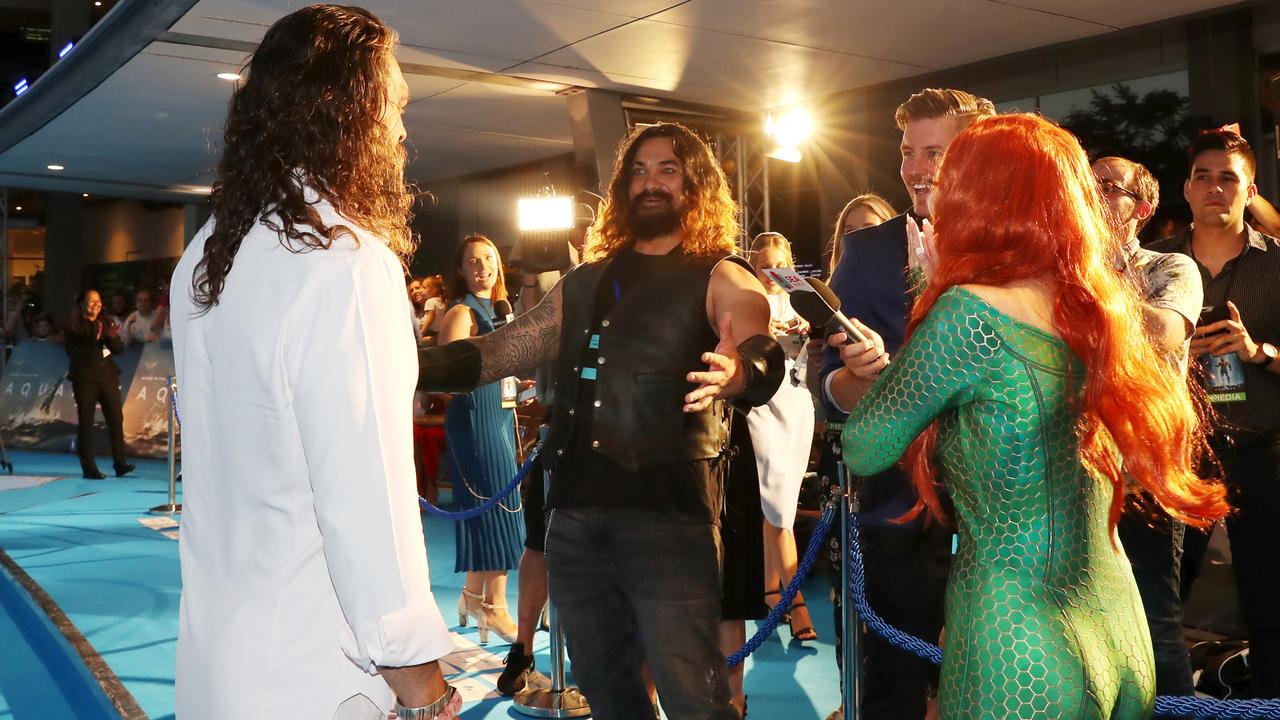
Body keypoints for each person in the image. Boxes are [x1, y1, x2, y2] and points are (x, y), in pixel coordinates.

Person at [841, 112, 1229, 718]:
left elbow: (866, 445)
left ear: (977, 195)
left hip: (1018, 639)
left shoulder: (970, 313)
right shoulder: (1100, 305)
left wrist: (929, 284)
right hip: (1120, 625)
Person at [419, 121, 783, 719]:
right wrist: (403, 365)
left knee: (695, 698)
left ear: (695, 186)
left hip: (669, 520)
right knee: (608, 696)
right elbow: (498, 351)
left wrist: (740, 373)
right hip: (575, 524)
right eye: (638, 171)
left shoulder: (721, 273)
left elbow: (754, 337)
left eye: (668, 169)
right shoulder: (584, 281)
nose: (651, 183)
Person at [169, 6, 459, 719]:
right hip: (312, 675)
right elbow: (366, 503)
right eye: (392, 107)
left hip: (217, 663)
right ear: (346, 114)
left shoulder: (207, 256)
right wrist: (422, 685)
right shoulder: (346, 267)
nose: (399, 132)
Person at [821, 88, 994, 720]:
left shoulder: (1018, 251)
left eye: (933, 153)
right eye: (906, 153)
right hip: (898, 504)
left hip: (1005, 513)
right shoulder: (868, 253)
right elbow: (829, 386)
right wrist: (860, 379)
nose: (916, 171)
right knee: (893, 680)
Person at [1148, 126, 1280, 698]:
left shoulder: (1276, 263)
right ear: (1186, 187)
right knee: (1161, 598)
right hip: (1183, 450)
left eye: (1229, 178)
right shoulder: (1159, 268)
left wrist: (1259, 352)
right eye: (1203, 176)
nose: (1214, 188)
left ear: (1249, 189)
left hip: (1263, 448)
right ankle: (1168, 706)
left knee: (1270, 599)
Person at [1093, 154, 1204, 698]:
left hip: (1145, 476)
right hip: (1075, 476)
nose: (1092, 194)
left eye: (1108, 186)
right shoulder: (1060, 274)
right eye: (1085, 184)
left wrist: (1091, 289)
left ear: (1143, 206)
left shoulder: (1170, 269)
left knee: (1155, 624)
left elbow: (1163, 332)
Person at [439, 233, 524, 646]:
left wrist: (513, 378)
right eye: (472, 261)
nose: (482, 267)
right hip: (474, 422)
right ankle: (495, 607)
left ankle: (474, 597)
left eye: (488, 258)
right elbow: (448, 378)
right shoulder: (461, 312)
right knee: (498, 509)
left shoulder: (501, 310)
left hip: (499, 416)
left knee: (496, 507)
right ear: (460, 269)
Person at [745, 232, 817, 642]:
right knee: (776, 504)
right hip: (761, 408)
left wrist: (809, 326)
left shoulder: (803, 298)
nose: (772, 275)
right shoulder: (745, 300)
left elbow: (825, 340)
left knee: (780, 501)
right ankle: (796, 599)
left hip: (797, 407)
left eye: (779, 266)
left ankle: (772, 591)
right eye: (763, 267)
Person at [64, 289, 132, 479]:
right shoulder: (73, 325)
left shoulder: (106, 321)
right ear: (82, 304)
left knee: (116, 420)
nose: (96, 304)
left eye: (99, 301)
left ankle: (120, 463)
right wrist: (95, 336)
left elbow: (118, 349)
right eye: (92, 301)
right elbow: (73, 353)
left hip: (108, 376)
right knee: (86, 422)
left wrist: (112, 337)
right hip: (85, 378)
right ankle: (89, 467)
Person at [827, 193, 895, 277]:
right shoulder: (826, 289)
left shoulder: (912, 284)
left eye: (869, 230)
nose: (858, 239)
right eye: (850, 232)